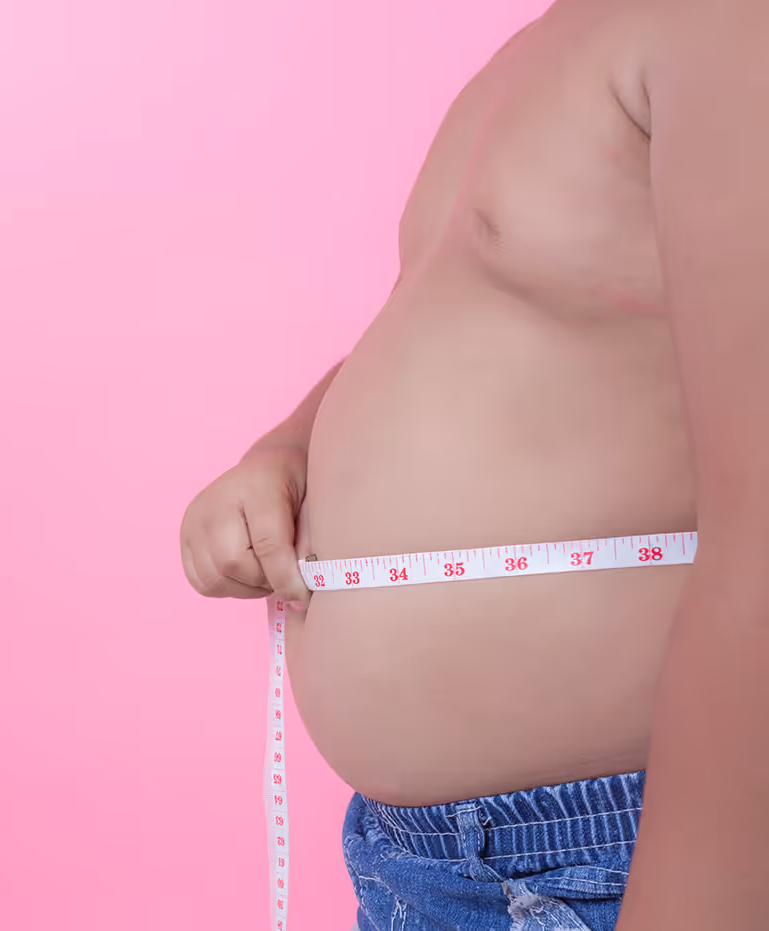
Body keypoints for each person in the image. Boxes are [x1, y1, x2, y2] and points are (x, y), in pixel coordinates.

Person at [178, 0, 769, 928]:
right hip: (412, 862)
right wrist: (292, 445)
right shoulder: (534, 49)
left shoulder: (727, 28)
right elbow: (469, 322)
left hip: (624, 862)